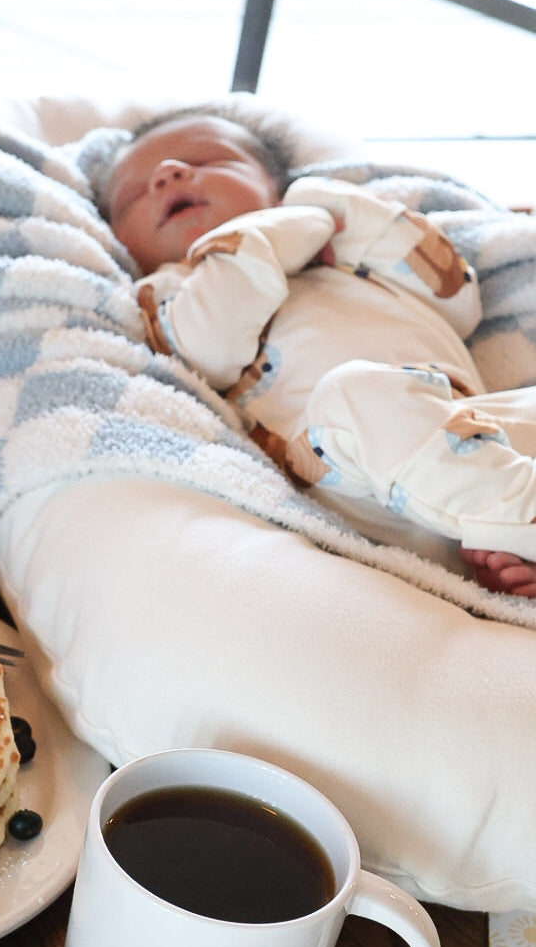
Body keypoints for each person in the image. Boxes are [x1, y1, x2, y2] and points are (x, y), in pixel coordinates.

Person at [103, 105, 536, 596]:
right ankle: (513, 516)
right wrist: (278, 233)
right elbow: (208, 346)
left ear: (274, 185)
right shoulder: (172, 289)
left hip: (470, 427)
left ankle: (507, 533)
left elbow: (453, 293)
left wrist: (329, 211)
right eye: (133, 194)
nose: (168, 174)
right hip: (346, 470)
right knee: (356, 393)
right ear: (122, 243)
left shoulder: (350, 254)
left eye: (209, 160)